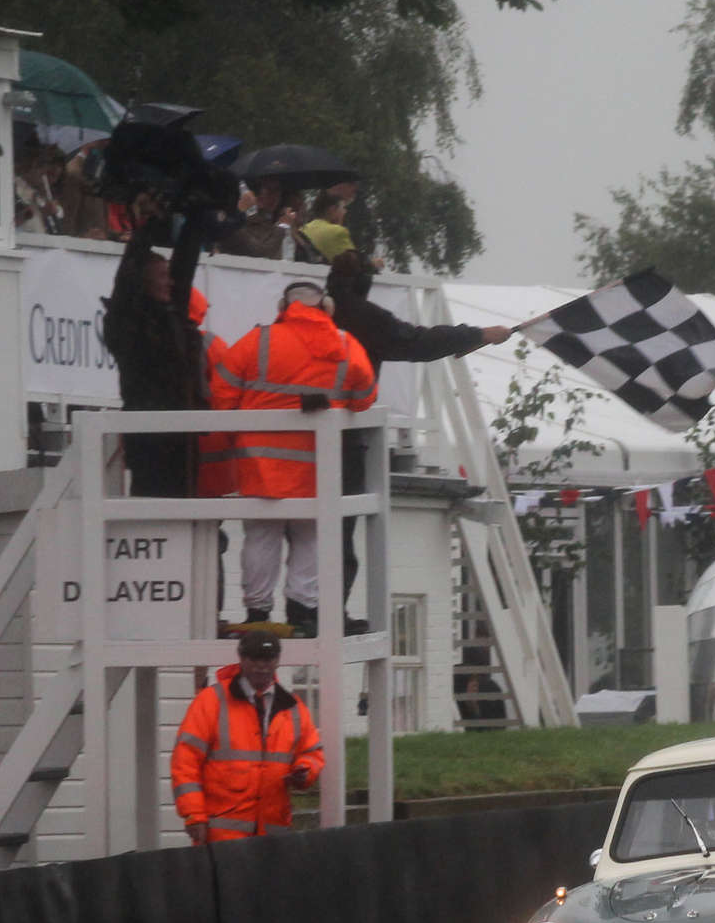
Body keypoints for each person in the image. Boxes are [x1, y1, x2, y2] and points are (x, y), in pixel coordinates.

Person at [326, 250, 509, 627]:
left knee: (289, 535)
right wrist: (478, 334)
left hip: (284, 446)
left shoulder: (310, 318)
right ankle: (329, 614)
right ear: (362, 285)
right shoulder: (362, 317)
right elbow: (417, 342)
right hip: (341, 443)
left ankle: (293, 611)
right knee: (336, 536)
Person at [213, 281, 378, 635]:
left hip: (259, 465)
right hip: (319, 466)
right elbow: (365, 397)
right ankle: (302, 611)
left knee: (260, 537)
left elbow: (222, 392)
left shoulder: (258, 341)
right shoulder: (346, 345)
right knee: (311, 537)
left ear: (283, 305)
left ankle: (258, 614)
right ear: (327, 308)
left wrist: (236, 435)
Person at [101, 194, 210, 497]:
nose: (170, 282)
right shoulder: (128, 324)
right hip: (150, 440)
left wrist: (196, 218)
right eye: (162, 276)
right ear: (143, 281)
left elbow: (184, 268)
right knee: (151, 514)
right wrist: (144, 230)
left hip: (182, 440)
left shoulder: (171, 315)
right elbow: (125, 280)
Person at [172, 630, 324, 843]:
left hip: (272, 837)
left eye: (268, 659)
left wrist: (304, 771)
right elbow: (185, 761)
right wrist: (193, 814)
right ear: (242, 660)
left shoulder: (294, 708)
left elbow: (312, 753)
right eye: (254, 659)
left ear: (277, 661)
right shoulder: (211, 702)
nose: (261, 665)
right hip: (220, 838)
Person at [217, 177, 299, 259]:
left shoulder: (269, 221)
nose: (274, 196)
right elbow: (260, 254)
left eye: (277, 190)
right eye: (269, 190)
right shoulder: (232, 224)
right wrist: (283, 226)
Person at [298, 190, 359, 261]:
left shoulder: (302, 230)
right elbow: (355, 264)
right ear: (332, 210)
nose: (345, 212)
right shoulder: (338, 231)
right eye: (343, 208)